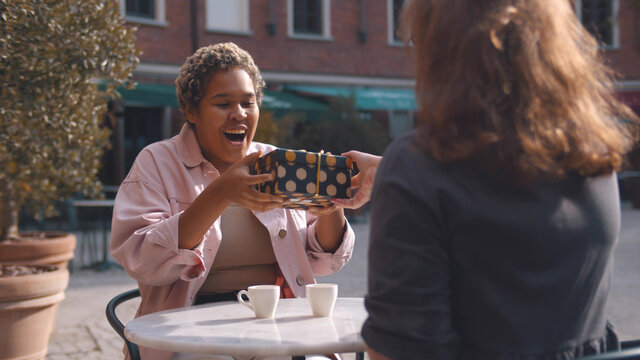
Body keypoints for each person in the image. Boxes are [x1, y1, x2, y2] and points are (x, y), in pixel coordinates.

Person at [360, 0, 640, 359]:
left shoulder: (418, 168)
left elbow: (400, 351)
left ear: (442, 46)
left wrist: (399, 182)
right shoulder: (593, 157)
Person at [110, 42, 355, 360]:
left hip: (278, 324)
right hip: (187, 331)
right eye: (223, 103)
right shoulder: (156, 162)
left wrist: (330, 207)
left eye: (248, 103)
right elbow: (140, 259)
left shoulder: (275, 162)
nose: (238, 113)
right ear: (192, 111)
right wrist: (220, 194)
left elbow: (324, 262)